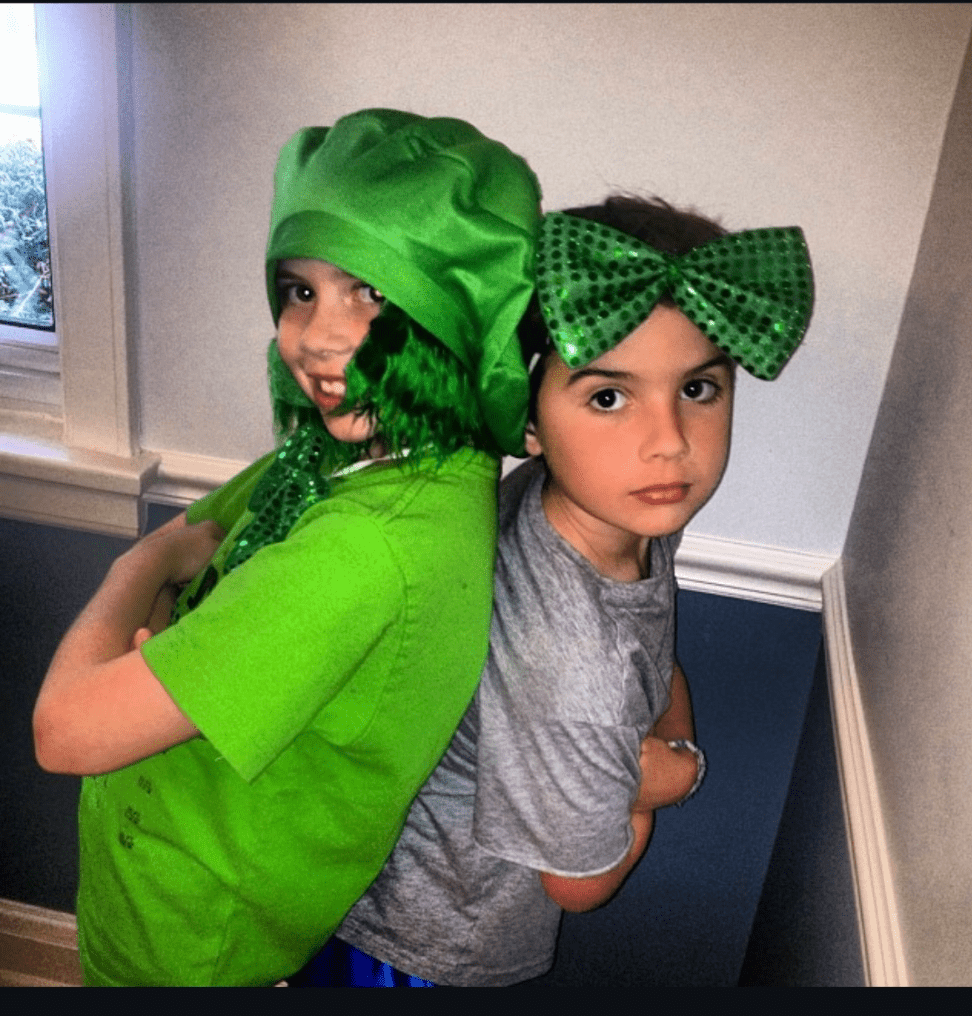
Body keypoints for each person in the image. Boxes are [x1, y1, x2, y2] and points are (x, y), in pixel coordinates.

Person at [32, 108, 542, 986]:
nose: (317, 336)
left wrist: (136, 570)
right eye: (300, 291)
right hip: (157, 878)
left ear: (457, 307)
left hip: (188, 936)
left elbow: (65, 730)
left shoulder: (364, 550)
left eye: (371, 291)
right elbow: (198, 539)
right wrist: (166, 629)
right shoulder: (352, 457)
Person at [297, 194, 814, 986]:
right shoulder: (572, 662)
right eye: (608, 397)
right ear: (526, 420)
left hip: (393, 889)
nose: (668, 442)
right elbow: (581, 885)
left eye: (697, 390)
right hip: (432, 946)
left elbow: (650, 661)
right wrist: (673, 772)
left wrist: (654, 734)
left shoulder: (593, 505)